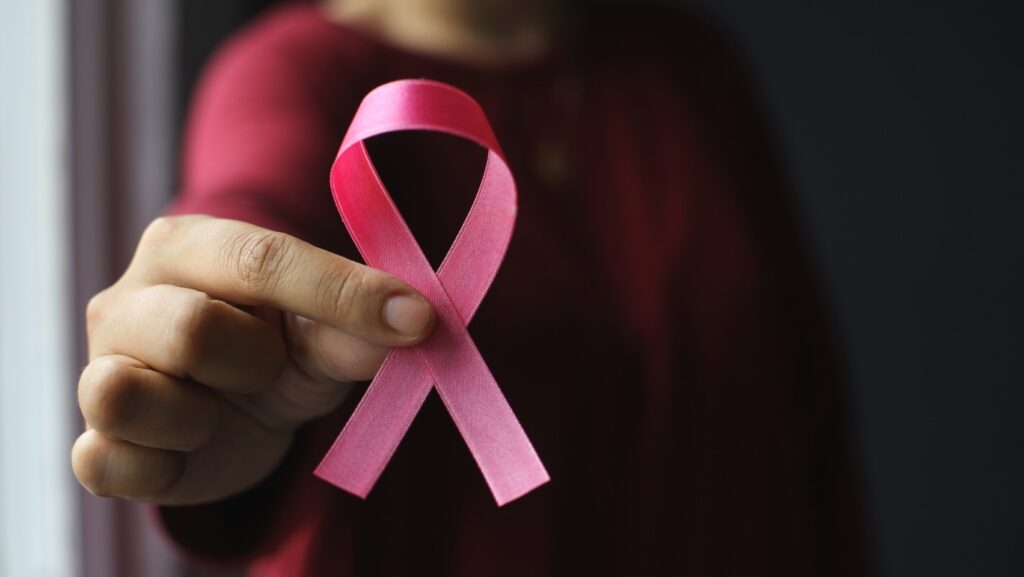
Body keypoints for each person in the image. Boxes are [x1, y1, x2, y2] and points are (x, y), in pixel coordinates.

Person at [73, 0, 870, 574]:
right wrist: (208, 327)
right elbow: (253, 203)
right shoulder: (288, 73)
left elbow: (808, 405)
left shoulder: (695, 72)